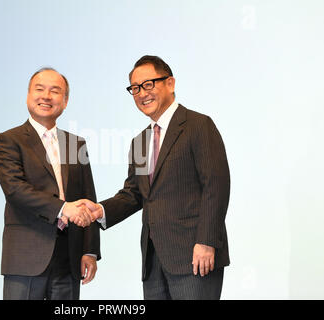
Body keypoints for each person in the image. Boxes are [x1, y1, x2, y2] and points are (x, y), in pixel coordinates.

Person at [80, 55, 230, 300]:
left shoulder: (198, 125)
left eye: (148, 84)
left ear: (170, 83)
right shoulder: (139, 142)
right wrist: (101, 210)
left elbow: (216, 186)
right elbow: (134, 194)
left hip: (195, 256)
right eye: (135, 88)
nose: (141, 93)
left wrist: (206, 241)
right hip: (153, 261)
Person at [0, 67, 100, 300]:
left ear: (65, 100)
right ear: (28, 95)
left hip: (68, 259)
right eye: (39, 89)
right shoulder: (8, 140)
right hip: (25, 257)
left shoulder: (76, 145)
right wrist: (64, 208)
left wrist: (90, 251)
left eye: (55, 91)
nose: (46, 96)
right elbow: (15, 190)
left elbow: (88, 199)